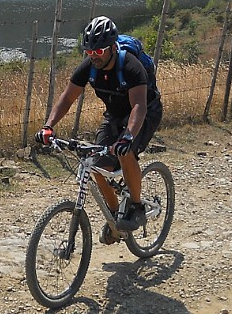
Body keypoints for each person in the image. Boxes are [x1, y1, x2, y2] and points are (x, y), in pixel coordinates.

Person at [35, 15, 163, 243]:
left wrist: (127, 137)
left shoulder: (131, 66)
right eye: (89, 52)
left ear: (113, 48)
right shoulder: (89, 68)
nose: (94, 56)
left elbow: (139, 107)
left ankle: (136, 207)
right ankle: (115, 219)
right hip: (114, 116)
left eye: (99, 51)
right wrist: (48, 127)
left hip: (145, 113)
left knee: (126, 153)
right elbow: (66, 100)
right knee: (94, 164)